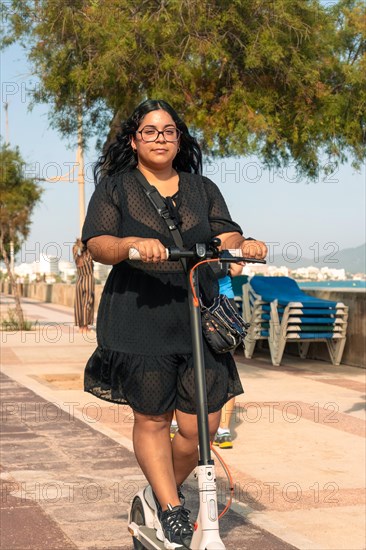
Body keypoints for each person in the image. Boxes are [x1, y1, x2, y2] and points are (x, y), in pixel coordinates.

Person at [81, 99, 267, 549]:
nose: (159, 138)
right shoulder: (116, 188)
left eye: (168, 131)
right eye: (149, 130)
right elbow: (98, 242)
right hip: (138, 314)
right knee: (151, 417)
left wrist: (244, 245)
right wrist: (131, 243)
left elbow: (225, 232)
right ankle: (169, 505)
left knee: (200, 423)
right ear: (134, 140)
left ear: (178, 139)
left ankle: (151, 494)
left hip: (197, 314)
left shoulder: (202, 188)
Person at [72, 238, 95, 333]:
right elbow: (93, 247)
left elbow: (74, 249)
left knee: (78, 304)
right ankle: (85, 327)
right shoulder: (88, 255)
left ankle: (80, 327)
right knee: (87, 303)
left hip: (79, 281)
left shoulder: (77, 258)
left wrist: (78, 244)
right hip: (88, 279)